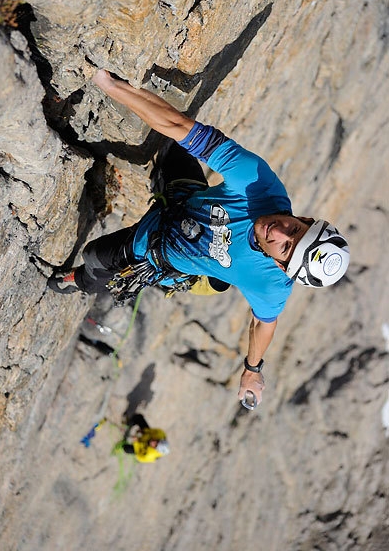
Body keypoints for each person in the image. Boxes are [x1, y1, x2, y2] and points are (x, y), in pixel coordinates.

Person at [49, 69, 350, 407]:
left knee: (94, 258)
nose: (278, 230)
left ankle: (75, 280)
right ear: (305, 218)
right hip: (182, 199)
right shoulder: (259, 185)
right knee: (173, 145)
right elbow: (180, 126)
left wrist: (252, 368)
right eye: (295, 229)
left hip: (155, 250)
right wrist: (111, 85)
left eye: (286, 246)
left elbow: (265, 324)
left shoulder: (271, 285)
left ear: (281, 266)